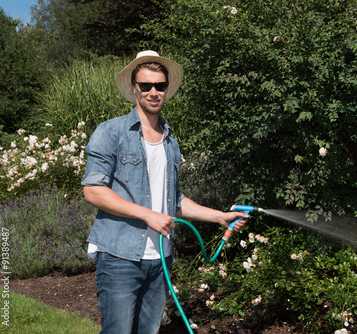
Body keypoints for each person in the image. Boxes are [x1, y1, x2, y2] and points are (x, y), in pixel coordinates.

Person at [81, 50, 247, 334]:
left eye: (160, 86)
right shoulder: (111, 133)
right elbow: (93, 191)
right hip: (120, 258)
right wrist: (148, 215)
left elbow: (174, 200)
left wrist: (218, 216)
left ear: (166, 89)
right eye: (146, 86)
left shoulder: (171, 141)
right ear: (134, 88)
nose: (153, 92)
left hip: (161, 259)